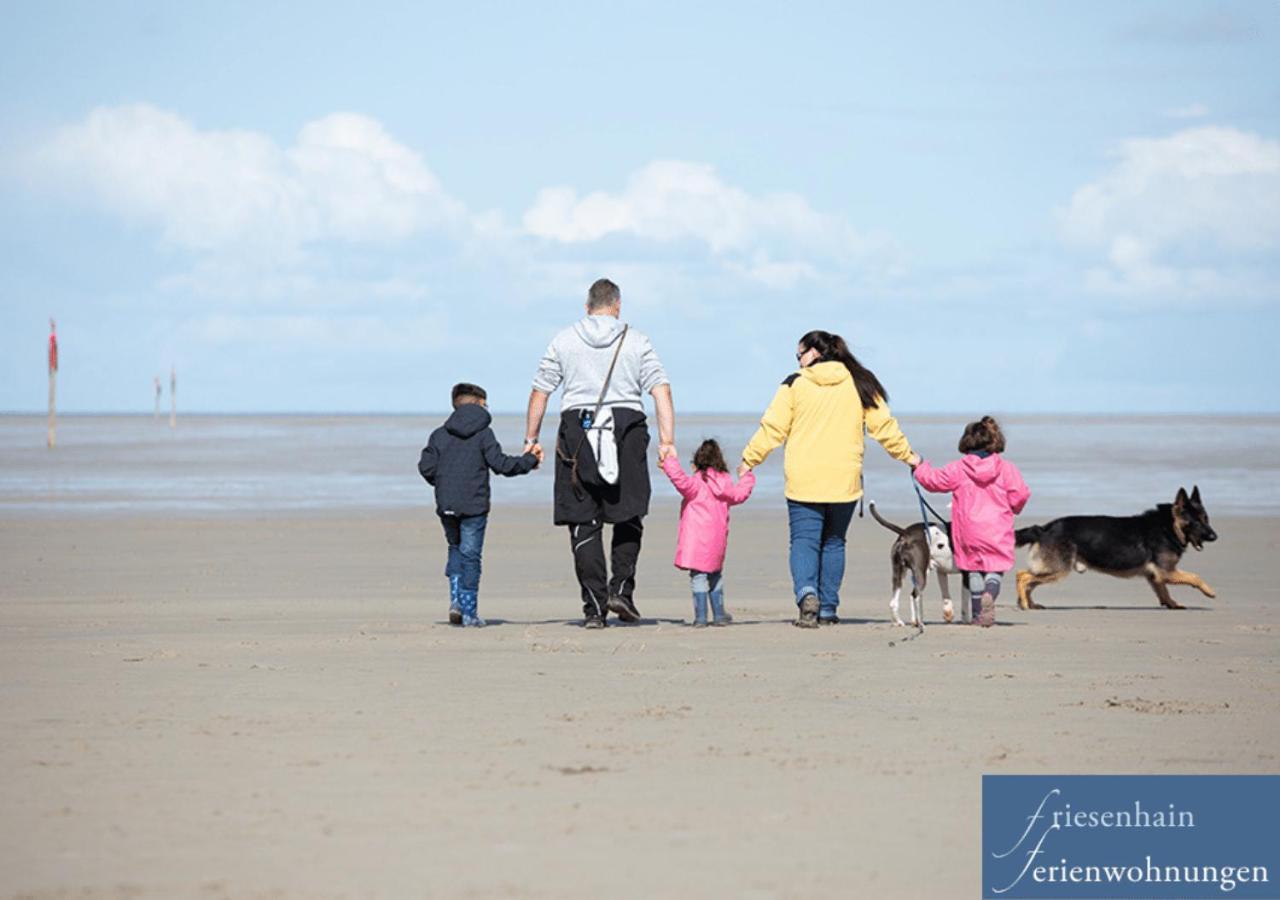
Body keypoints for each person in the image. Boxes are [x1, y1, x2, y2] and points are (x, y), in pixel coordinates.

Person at [523, 278, 675, 628]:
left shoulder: (564, 339)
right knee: (629, 513)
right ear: (617, 306)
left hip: (578, 428)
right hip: (626, 426)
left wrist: (531, 437)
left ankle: (594, 607)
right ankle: (621, 590)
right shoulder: (637, 340)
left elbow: (540, 391)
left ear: (587, 307)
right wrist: (667, 441)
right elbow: (660, 390)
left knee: (583, 518)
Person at [739, 330, 916, 628]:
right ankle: (828, 608)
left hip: (804, 480)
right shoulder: (859, 382)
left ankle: (808, 594)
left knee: (805, 541)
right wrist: (909, 457)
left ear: (814, 353)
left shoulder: (794, 384)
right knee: (834, 543)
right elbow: (884, 427)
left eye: (799, 355)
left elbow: (772, 428)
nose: (798, 361)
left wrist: (749, 459)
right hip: (843, 480)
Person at [418, 383, 542, 627]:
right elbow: (501, 465)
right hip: (474, 505)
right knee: (471, 556)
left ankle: (456, 601)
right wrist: (529, 460)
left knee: (455, 548)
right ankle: (469, 613)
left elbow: (426, 467)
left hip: (447, 503)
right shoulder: (484, 434)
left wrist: (443, 483)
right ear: (479, 404)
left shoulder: (439, 434)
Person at [911, 416, 1030, 627]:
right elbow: (1020, 494)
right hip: (997, 528)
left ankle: (977, 615)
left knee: (973, 569)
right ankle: (990, 597)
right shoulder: (1006, 468)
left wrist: (919, 467)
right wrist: (1014, 508)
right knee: (995, 569)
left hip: (968, 530)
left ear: (967, 441)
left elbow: (934, 481)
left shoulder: (958, 468)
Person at [660, 438, 755, 627]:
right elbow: (740, 494)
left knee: (699, 577)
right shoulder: (725, 485)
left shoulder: (695, 484)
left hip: (695, 541)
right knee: (715, 575)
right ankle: (719, 615)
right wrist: (747, 477)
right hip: (716, 541)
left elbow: (679, 479)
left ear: (696, 464)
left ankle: (701, 617)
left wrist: (669, 460)